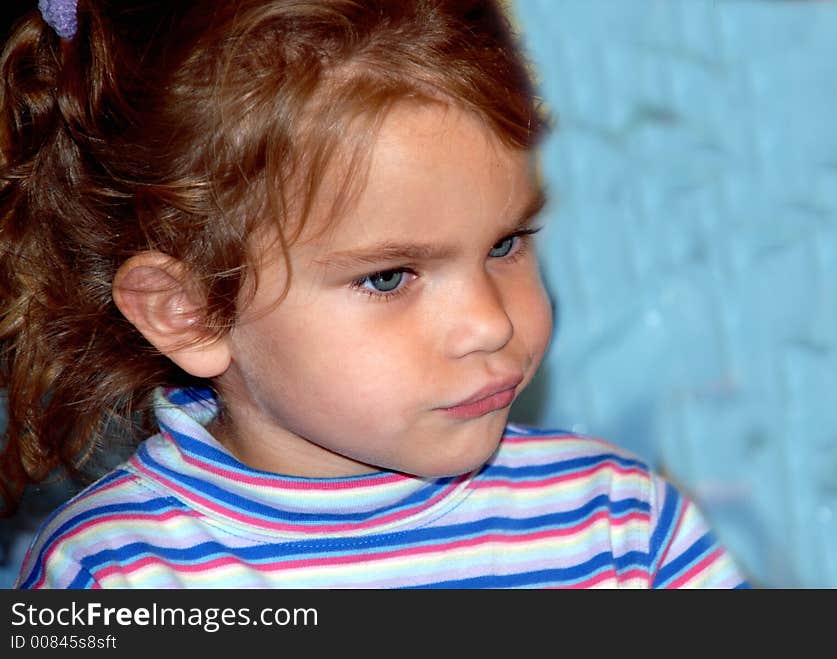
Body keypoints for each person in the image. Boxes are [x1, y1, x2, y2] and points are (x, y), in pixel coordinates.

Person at [1, 0, 749, 589]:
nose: (490, 323)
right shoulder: (115, 574)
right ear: (189, 310)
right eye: (389, 276)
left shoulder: (623, 525)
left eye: (507, 244)